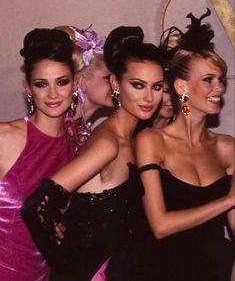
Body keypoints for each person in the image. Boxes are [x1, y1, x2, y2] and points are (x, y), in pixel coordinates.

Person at [21, 25, 165, 280]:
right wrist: (69, 267)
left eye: (156, 87)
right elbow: (36, 207)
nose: (149, 97)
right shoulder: (107, 143)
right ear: (115, 83)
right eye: (138, 85)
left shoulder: (128, 137)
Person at [136, 9, 235, 281]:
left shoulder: (228, 148)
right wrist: (227, 200)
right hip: (162, 270)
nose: (219, 88)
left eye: (221, 80)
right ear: (181, 87)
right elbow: (160, 225)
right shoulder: (152, 140)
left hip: (216, 270)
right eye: (208, 80)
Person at [0, 28, 76, 280]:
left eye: (62, 82)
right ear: (28, 88)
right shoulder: (5, 137)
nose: (53, 94)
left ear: (75, 84)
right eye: (41, 84)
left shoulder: (78, 146)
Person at [55, 25, 114, 154]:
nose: (115, 84)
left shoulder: (82, 131)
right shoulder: (59, 132)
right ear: (82, 83)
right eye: (107, 78)